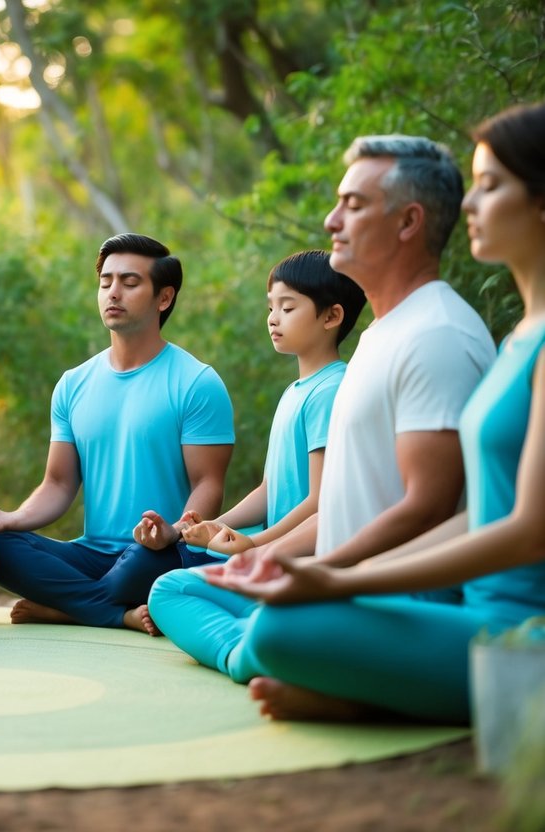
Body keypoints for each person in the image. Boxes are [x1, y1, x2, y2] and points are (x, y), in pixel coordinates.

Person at [203, 101, 545, 724]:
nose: (469, 203)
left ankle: (340, 684)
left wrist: (337, 578)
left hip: (514, 629)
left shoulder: (443, 332)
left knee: (279, 629)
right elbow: (476, 515)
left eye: (490, 186)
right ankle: (336, 675)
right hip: (457, 609)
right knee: (200, 591)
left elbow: (508, 524)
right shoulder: (517, 337)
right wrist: (307, 565)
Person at [148, 134, 497, 686]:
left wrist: (317, 573)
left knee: (269, 630)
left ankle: (270, 659)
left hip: (391, 600)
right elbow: (335, 503)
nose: (333, 219)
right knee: (175, 588)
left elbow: (428, 508)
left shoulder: (437, 336)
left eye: (353, 205)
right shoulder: (382, 336)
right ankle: (277, 654)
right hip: (333, 586)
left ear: (408, 222)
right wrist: (273, 560)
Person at [0, 233, 235, 631]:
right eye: (106, 283)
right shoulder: (72, 384)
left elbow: (208, 484)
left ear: (163, 298)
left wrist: (174, 532)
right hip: (91, 553)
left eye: (130, 283)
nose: (113, 292)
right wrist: (7, 520)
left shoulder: (197, 382)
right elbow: (58, 484)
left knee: (139, 565)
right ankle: (111, 611)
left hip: (158, 552)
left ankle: (68, 606)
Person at [133, 251, 365, 634]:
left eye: (287, 308)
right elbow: (269, 489)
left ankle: (258, 632)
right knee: (157, 566)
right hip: (267, 553)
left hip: (302, 558)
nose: (273, 318)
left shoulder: (331, 390)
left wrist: (254, 546)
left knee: (162, 587)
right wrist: (211, 527)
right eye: (271, 306)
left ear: (331, 316)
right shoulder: (295, 391)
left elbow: (319, 500)